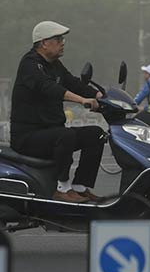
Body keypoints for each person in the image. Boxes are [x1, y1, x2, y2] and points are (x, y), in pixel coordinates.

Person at [10, 21, 105, 203]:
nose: (63, 43)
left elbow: (74, 83)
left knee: (96, 134)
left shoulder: (55, 65)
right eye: (58, 39)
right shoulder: (29, 63)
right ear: (44, 43)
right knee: (66, 135)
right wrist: (81, 100)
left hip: (51, 134)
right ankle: (62, 189)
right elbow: (48, 87)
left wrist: (101, 95)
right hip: (28, 137)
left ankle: (79, 187)